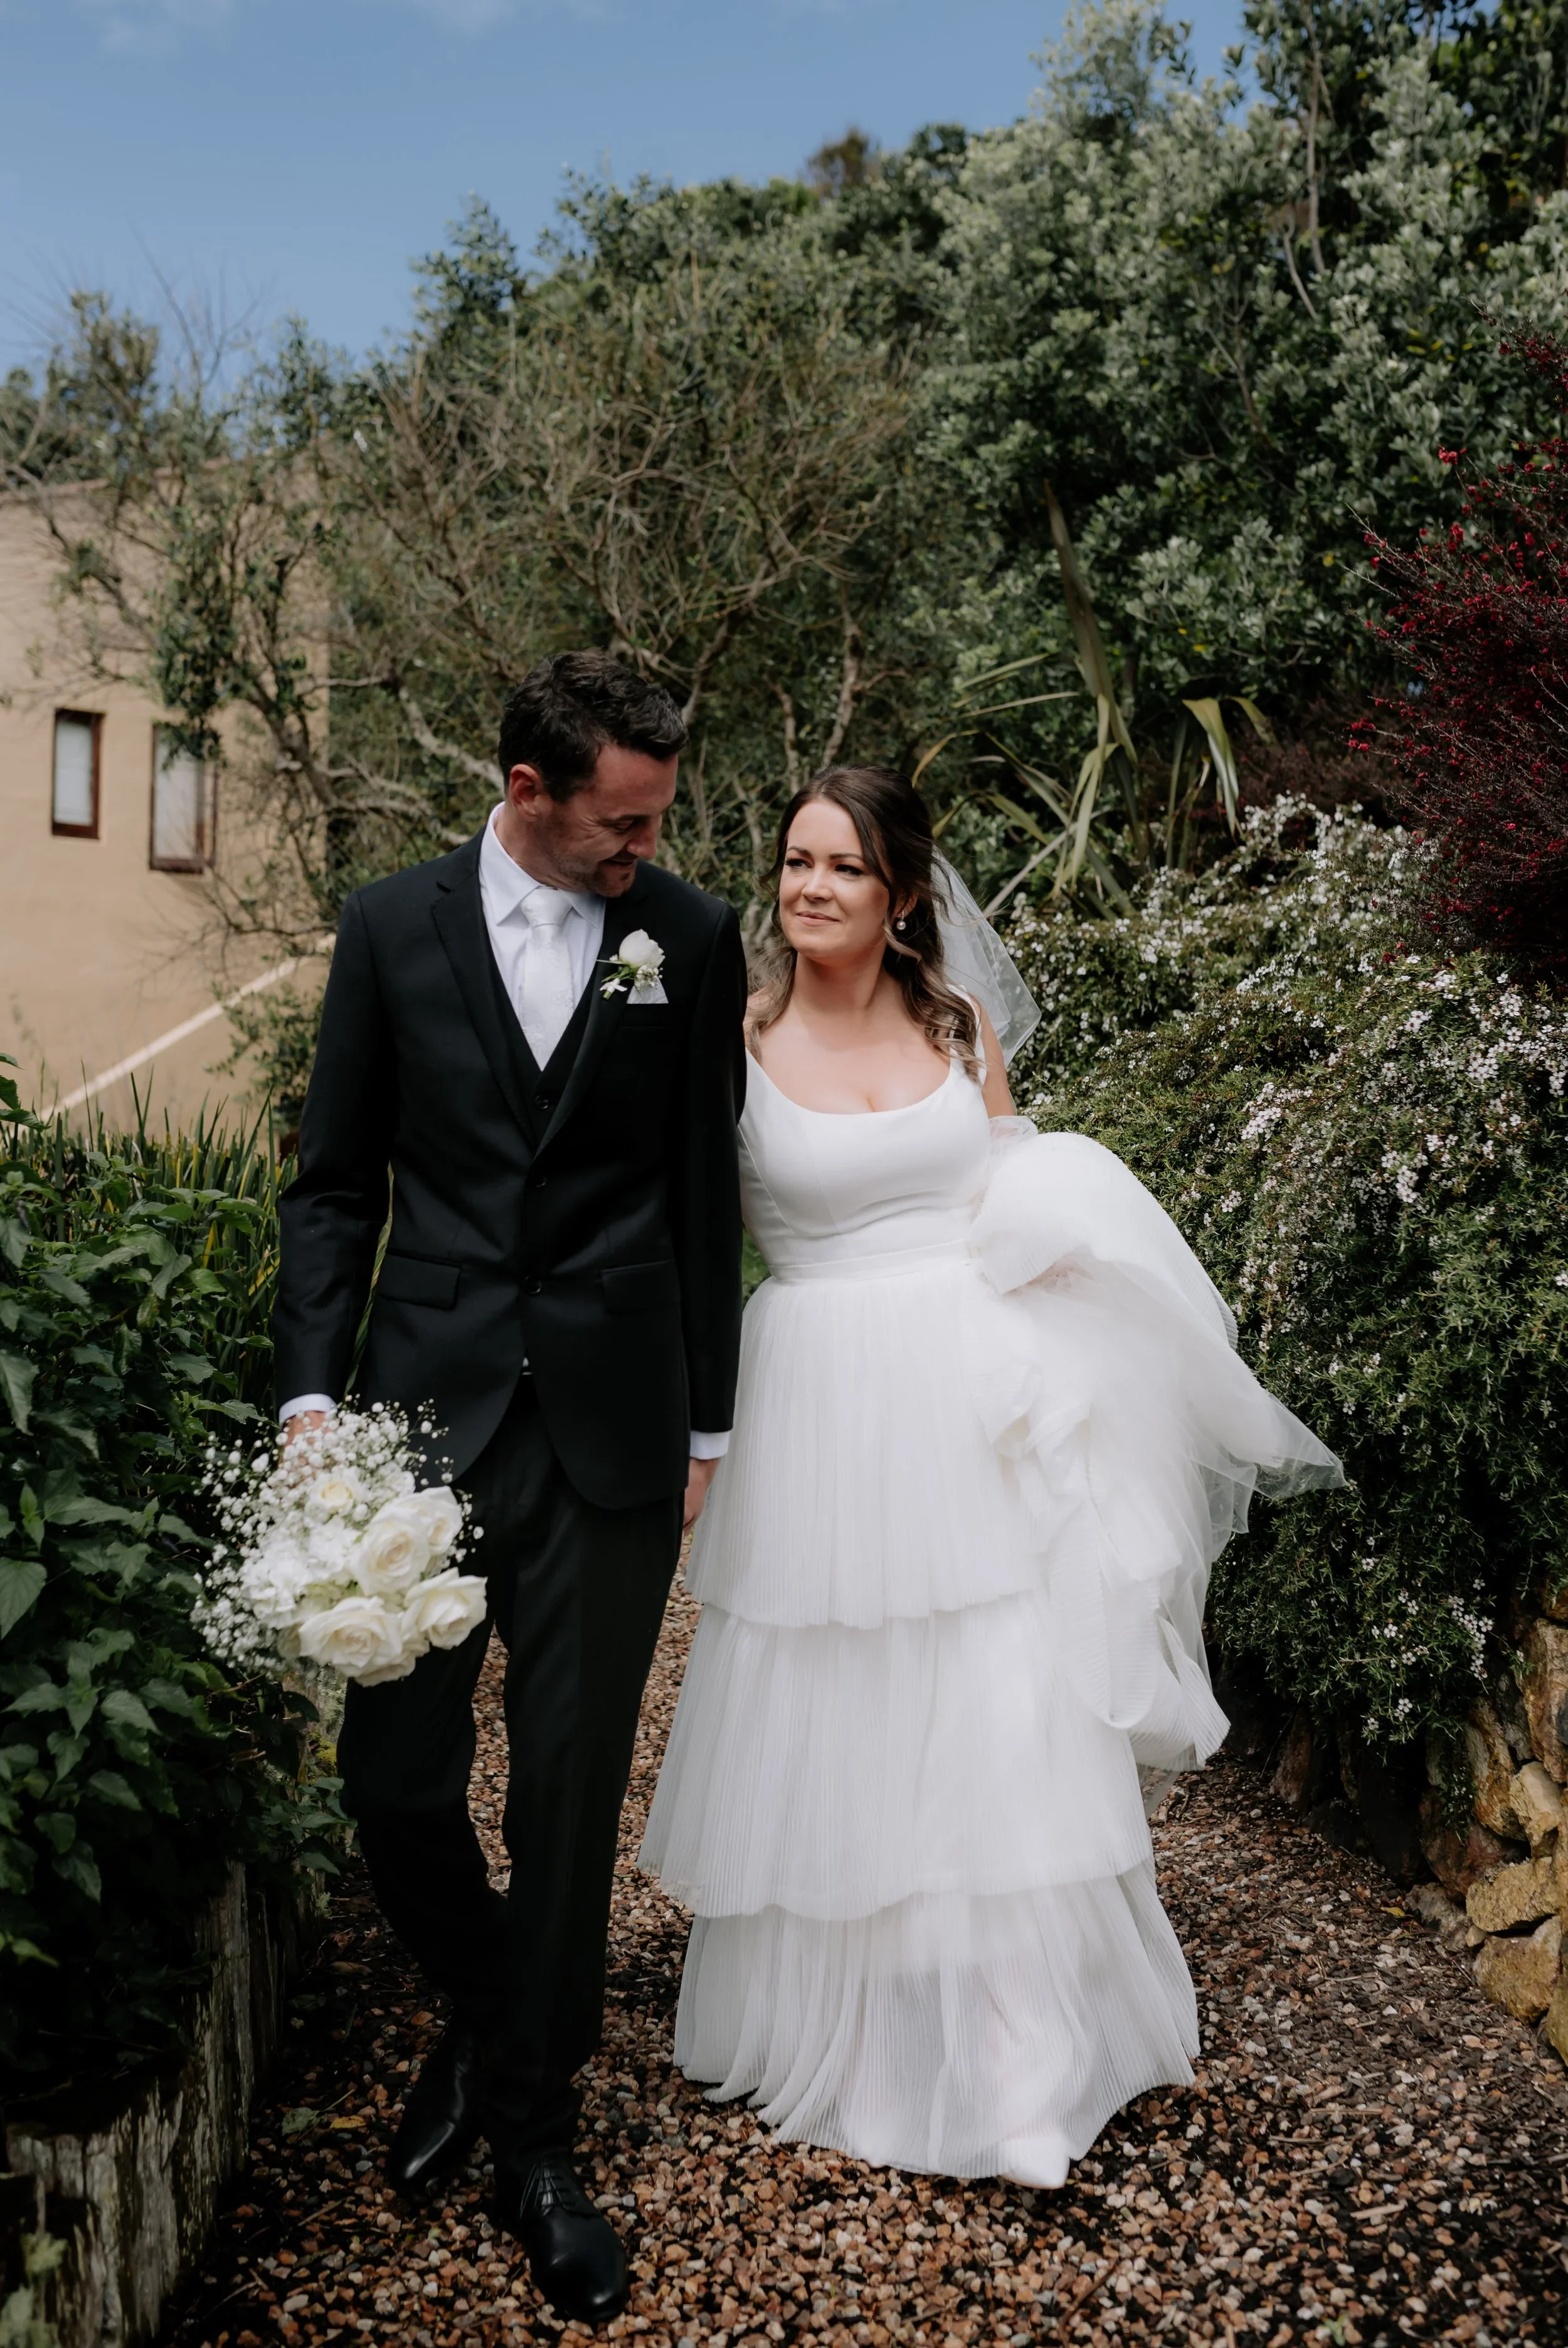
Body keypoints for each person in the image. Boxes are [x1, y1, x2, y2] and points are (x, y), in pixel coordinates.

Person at [640, 764, 1342, 2186]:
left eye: (842, 865)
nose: (809, 886)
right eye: (794, 861)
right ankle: (865, 2032)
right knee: (839, 1700)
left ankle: (1023, 2047)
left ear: (900, 895)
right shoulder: (735, 1031)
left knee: (1003, 1699)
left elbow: (1010, 1184)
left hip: (970, 1390)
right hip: (820, 1397)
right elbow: (682, 1228)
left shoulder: (955, 1026)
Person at [273, 652, 746, 2323]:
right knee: (394, 1781)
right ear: (529, 790)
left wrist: (706, 1428)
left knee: (564, 1793)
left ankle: (537, 2144)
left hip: (611, 1429)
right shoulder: (391, 927)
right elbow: (334, 1184)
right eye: (620, 824)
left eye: (657, 822)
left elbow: (700, 1192)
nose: (644, 850)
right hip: (419, 1411)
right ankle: (488, 2010)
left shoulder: (685, 938)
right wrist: (315, 1398)